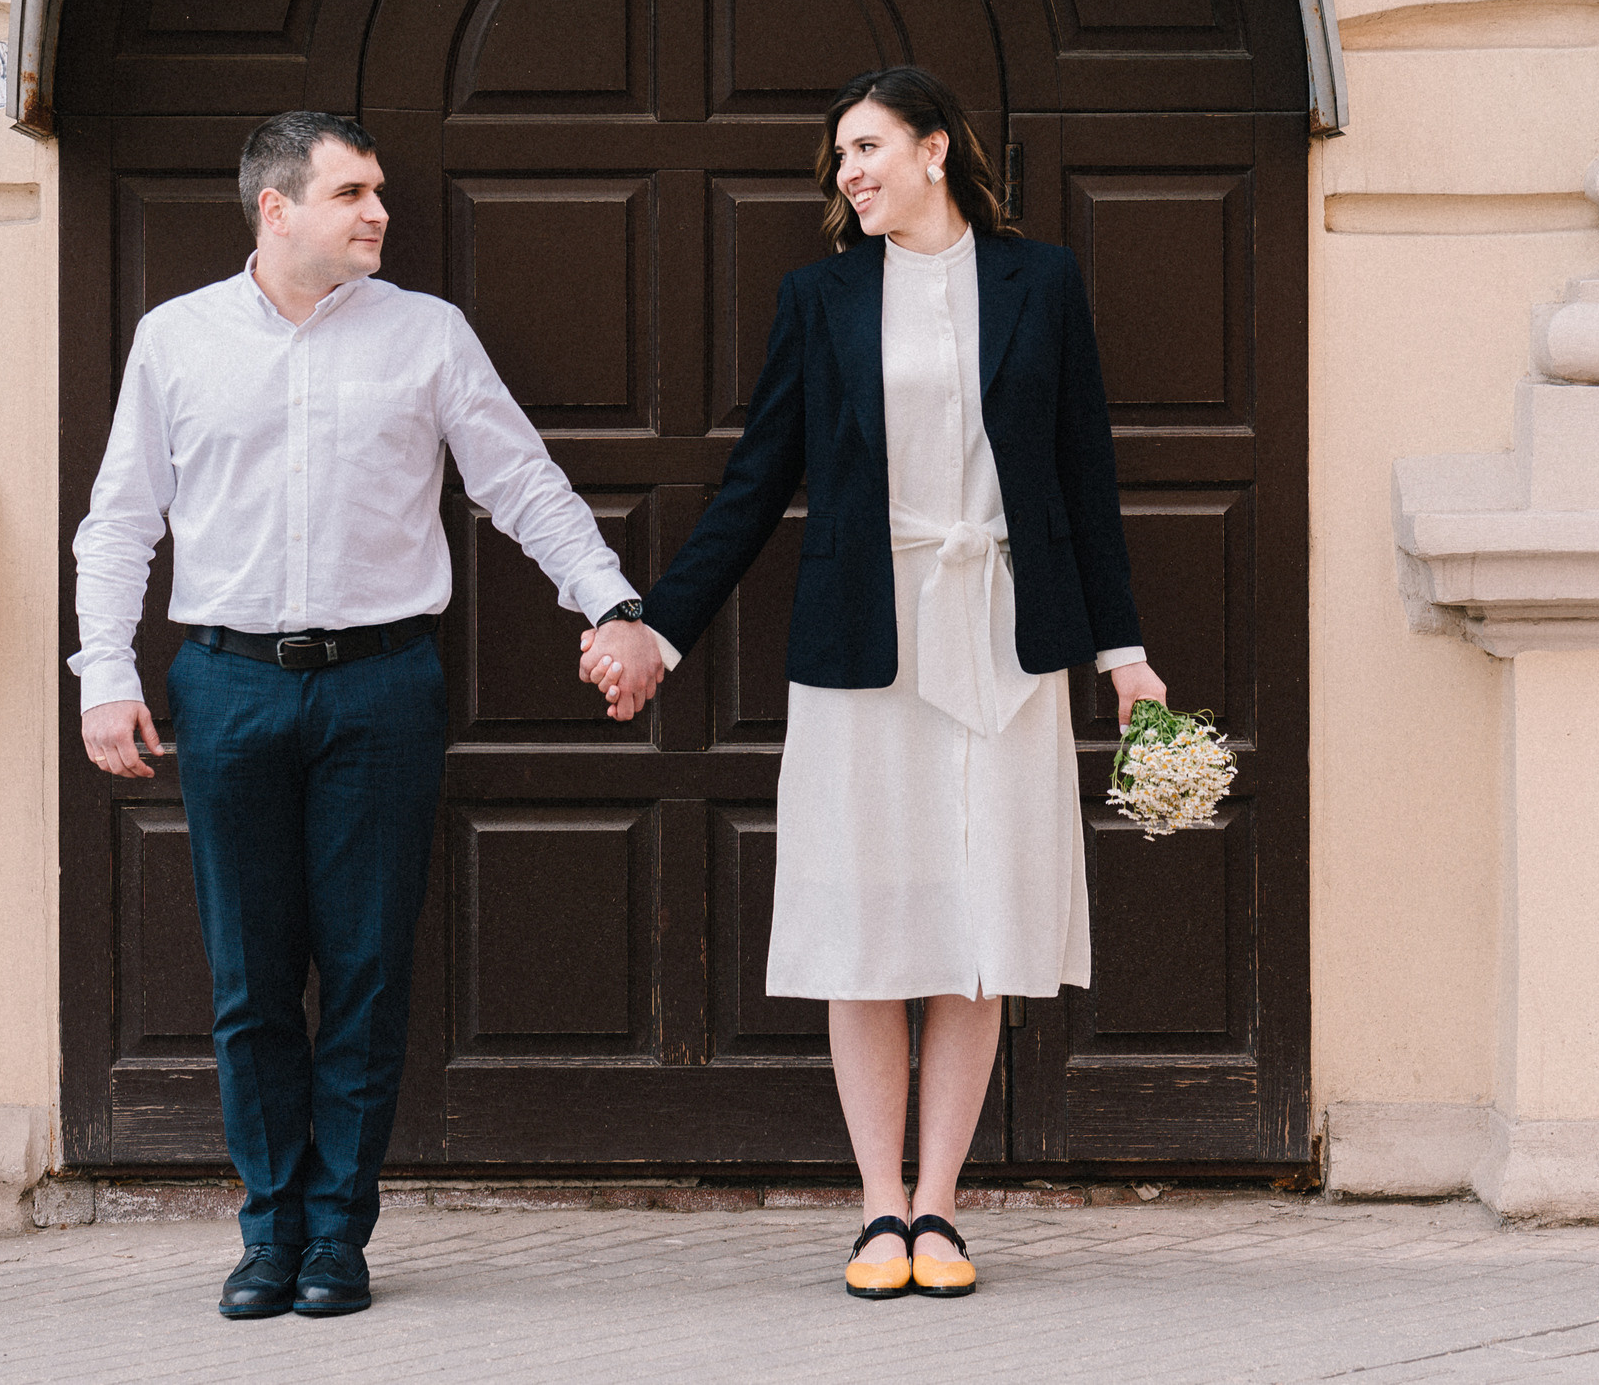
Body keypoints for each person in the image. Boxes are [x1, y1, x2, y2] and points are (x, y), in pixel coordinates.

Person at [581, 67, 1162, 1298]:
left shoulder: (1040, 283)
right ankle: (874, 1209)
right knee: (864, 925)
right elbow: (753, 483)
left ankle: (942, 1205)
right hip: (864, 641)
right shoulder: (822, 297)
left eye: (866, 145)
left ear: (934, 148)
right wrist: (658, 628)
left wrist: (1124, 653)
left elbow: (1084, 480)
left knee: (976, 925)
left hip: (1005, 634)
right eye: (837, 156)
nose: (847, 171)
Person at [74, 111, 664, 1320]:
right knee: (248, 979)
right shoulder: (176, 339)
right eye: (351, 191)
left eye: (377, 190)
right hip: (228, 683)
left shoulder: (426, 336)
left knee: (364, 970)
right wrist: (104, 673)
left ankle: (337, 1235)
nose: (378, 211)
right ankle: (266, 1229)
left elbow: (518, 482)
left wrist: (610, 603)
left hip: (381, 685)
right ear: (274, 208)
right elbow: (121, 516)